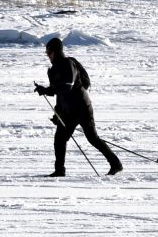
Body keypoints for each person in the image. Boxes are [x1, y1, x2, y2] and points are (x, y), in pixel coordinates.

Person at [34, 38, 122, 177]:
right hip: (68, 110)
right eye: (47, 52)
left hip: (82, 107)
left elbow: (67, 86)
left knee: (92, 138)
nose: (48, 55)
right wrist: (44, 91)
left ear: (56, 51)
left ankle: (116, 164)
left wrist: (50, 91)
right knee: (60, 139)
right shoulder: (53, 69)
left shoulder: (68, 64)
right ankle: (59, 171)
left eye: (49, 52)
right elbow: (57, 91)